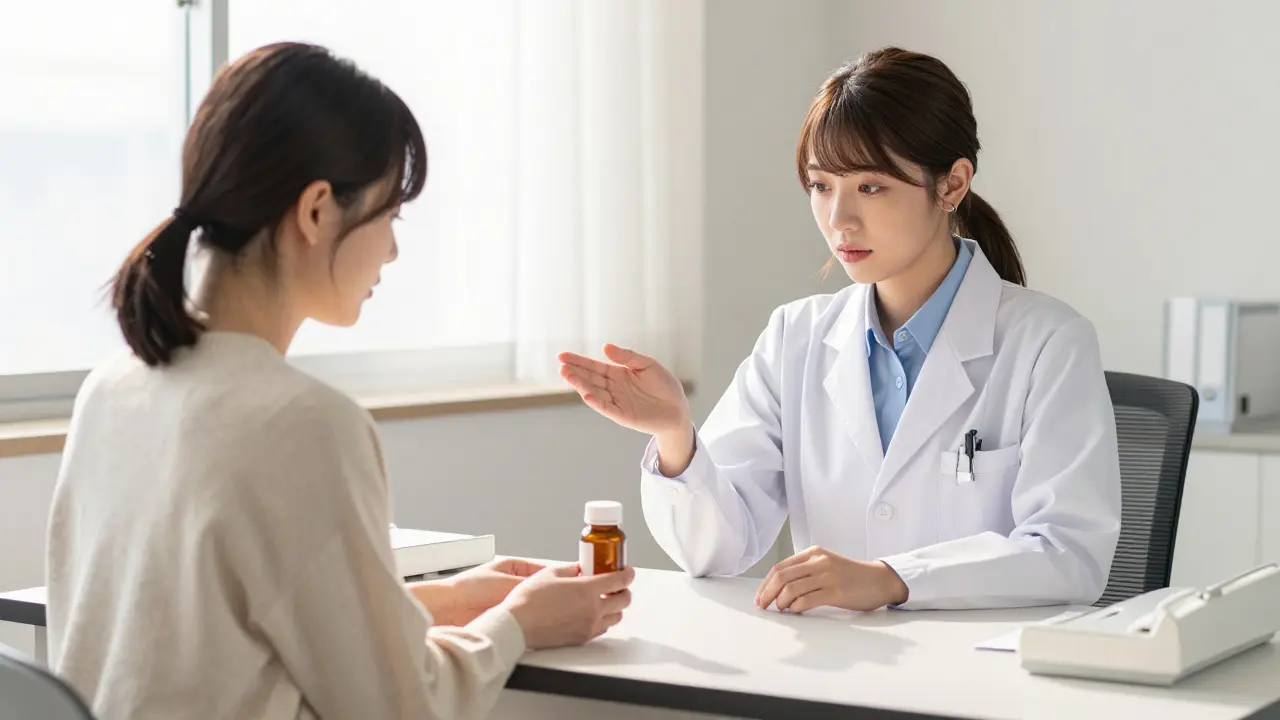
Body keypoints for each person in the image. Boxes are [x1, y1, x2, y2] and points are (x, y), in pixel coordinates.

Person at [46, 42, 633, 720]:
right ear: (318, 210)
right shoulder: (301, 422)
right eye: (390, 216)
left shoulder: (111, 393)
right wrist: (519, 625)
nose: (392, 249)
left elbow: (202, 636)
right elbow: (405, 706)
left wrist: (444, 601)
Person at [559, 47, 1121, 613]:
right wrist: (676, 435)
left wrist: (890, 579)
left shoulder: (1049, 342)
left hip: (982, 674)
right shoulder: (795, 336)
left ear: (951, 185)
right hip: (831, 668)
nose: (839, 219)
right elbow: (717, 551)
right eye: (821, 186)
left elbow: (1068, 554)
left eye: (871, 187)